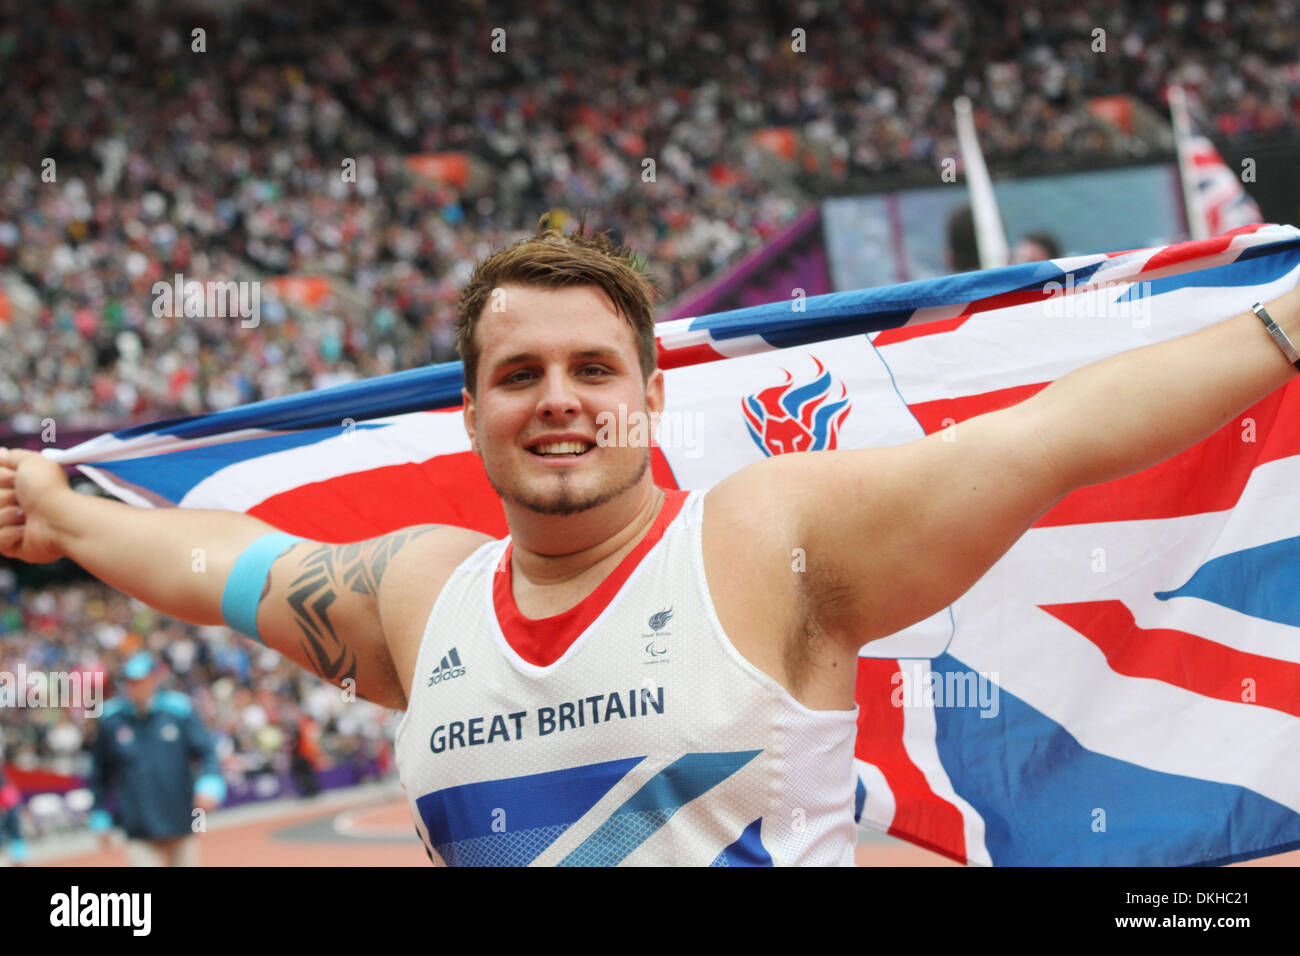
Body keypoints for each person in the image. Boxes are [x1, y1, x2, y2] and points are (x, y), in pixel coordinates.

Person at [2, 219, 1299, 865]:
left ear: (649, 395)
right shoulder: (417, 596)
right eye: (519, 372)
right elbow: (215, 565)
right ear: (470, 409)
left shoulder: (763, 539)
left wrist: (1283, 327)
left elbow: (1037, 444)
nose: (557, 397)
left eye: (590, 367)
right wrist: (64, 511)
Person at [87, 651, 226, 866]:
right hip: (138, 826)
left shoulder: (179, 711)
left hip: (180, 820)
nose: (134, 688)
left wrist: (210, 785)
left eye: (140, 681)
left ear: (153, 679)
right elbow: (100, 773)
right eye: (130, 682)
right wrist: (100, 814)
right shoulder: (112, 720)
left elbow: (207, 752)